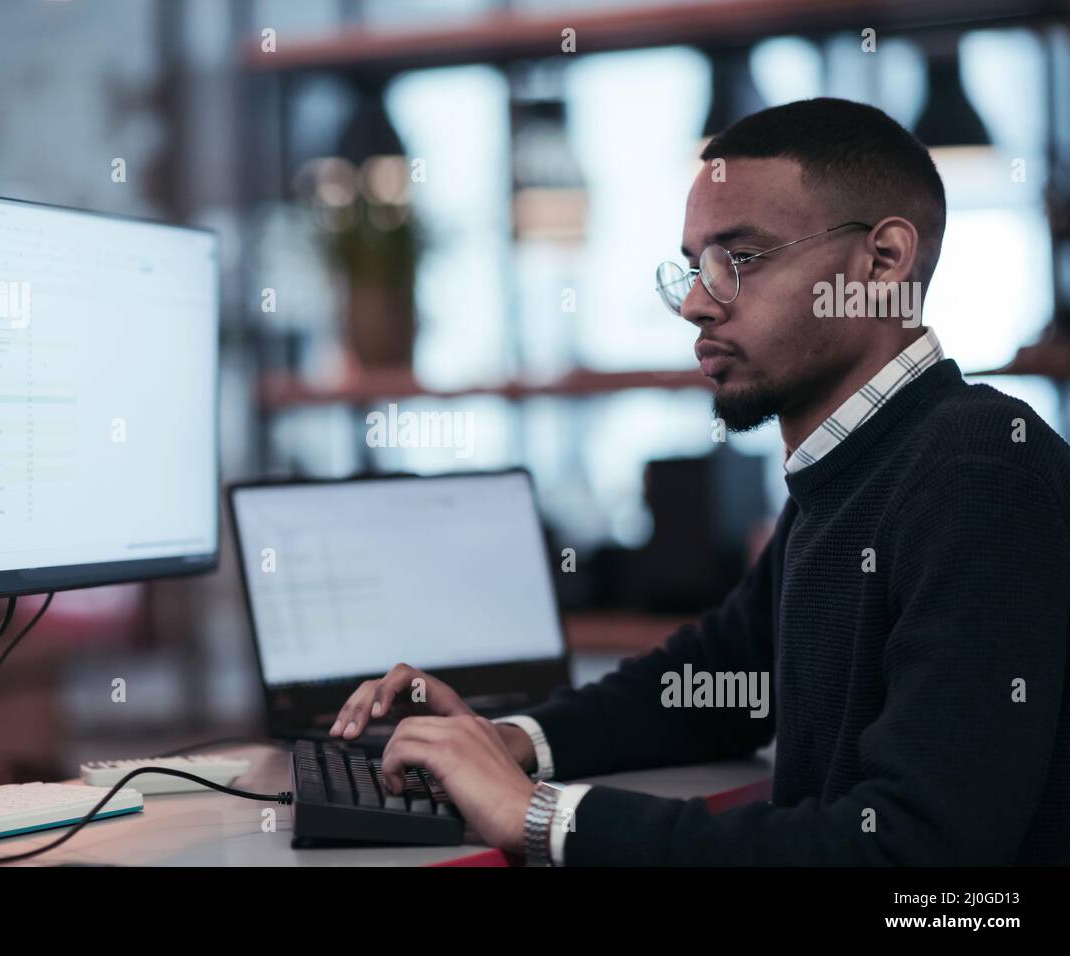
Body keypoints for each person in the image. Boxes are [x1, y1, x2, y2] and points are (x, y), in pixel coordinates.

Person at [329, 97, 1070, 865]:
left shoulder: (979, 473)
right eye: (692, 267)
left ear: (881, 264)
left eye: (738, 260)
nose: (693, 303)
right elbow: (721, 679)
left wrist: (543, 817)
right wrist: (509, 742)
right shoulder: (854, 469)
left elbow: (917, 858)